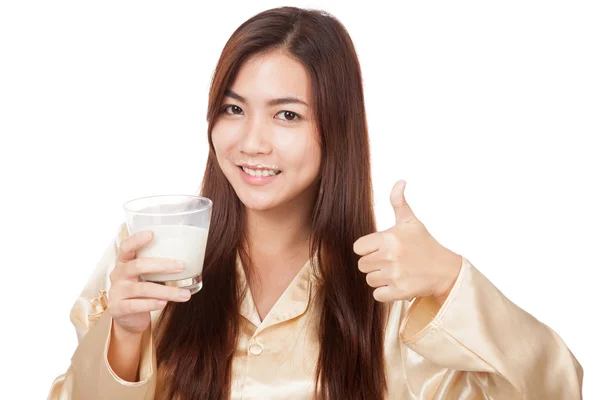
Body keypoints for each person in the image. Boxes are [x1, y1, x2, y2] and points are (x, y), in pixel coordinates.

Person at [48, 6, 583, 400]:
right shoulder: (154, 259)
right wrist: (124, 335)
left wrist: (451, 280)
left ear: (336, 130)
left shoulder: (393, 293)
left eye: (287, 116)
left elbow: (556, 389)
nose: (251, 141)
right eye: (233, 109)